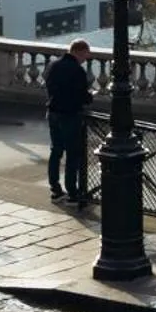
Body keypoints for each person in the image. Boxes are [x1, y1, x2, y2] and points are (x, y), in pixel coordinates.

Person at [45, 38, 94, 205]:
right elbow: (82, 95)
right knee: (73, 153)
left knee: (56, 150)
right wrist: (90, 96)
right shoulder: (77, 71)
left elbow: (50, 88)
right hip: (70, 115)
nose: (84, 60)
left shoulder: (53, 65)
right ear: (79, 52)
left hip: (53, 112)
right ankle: (73, 191)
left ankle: (55, 189)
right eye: (85, 56)